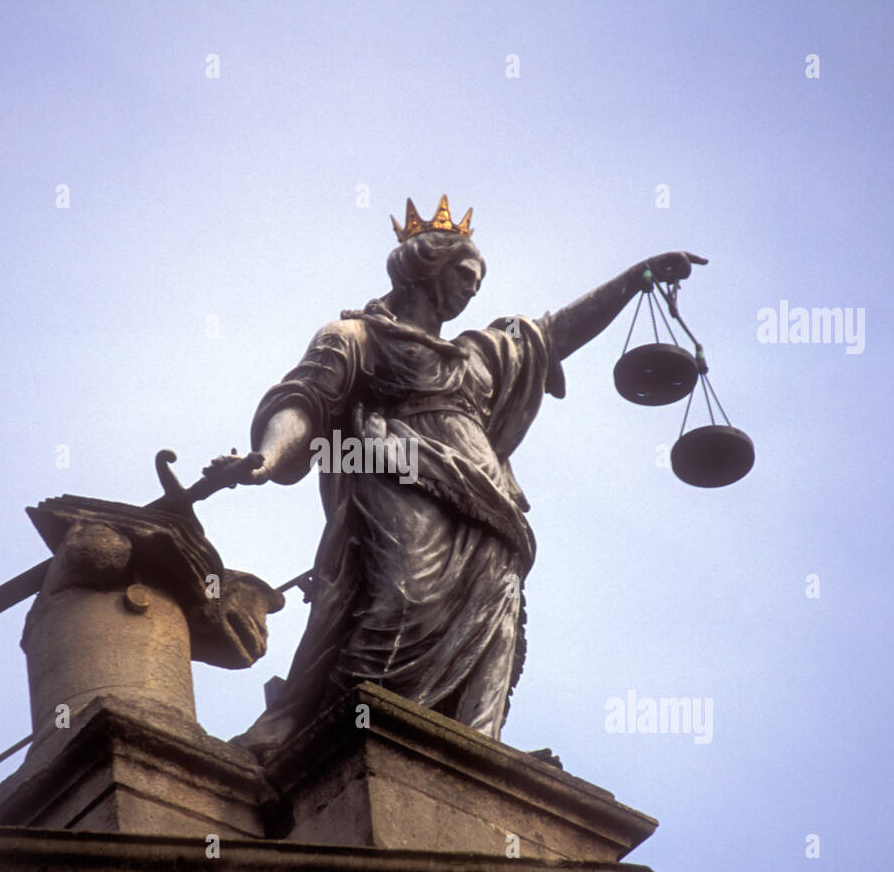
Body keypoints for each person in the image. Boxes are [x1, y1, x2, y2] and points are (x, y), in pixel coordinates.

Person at [228, 196, 704, 759]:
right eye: (465, 274)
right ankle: (336, 735)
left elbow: (555, 334)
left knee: (492, 617)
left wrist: (634, 279)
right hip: (397, 473)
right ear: (425, 265)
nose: (474, 288)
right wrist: (268, 456)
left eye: (478, 280)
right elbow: (305, 396)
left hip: (487, 501)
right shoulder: (357, 336)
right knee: (397, 604)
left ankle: (475, 746)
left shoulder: (479, 354)